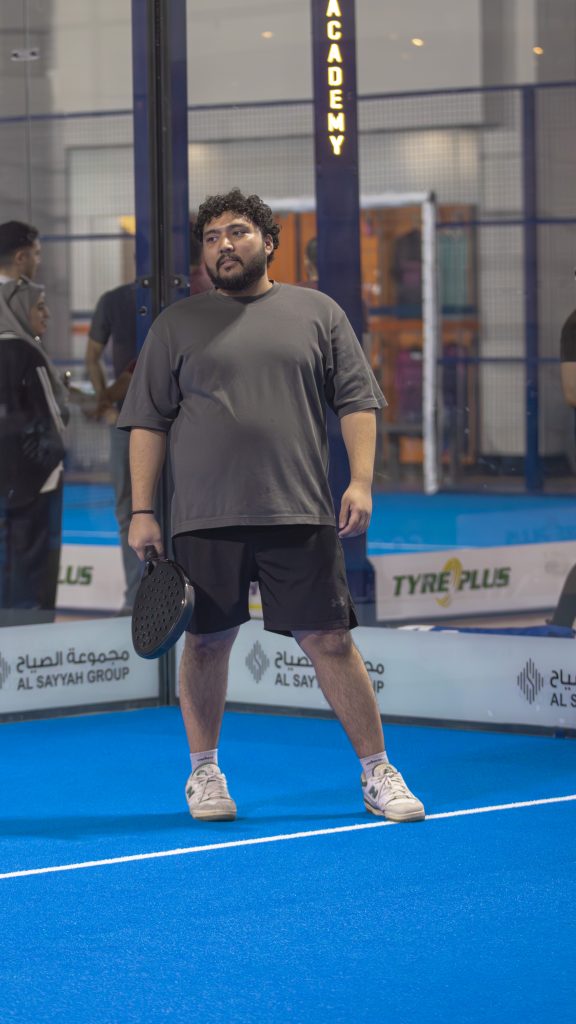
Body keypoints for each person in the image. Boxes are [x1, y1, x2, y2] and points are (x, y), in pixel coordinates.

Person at [118, 188, 424, 824]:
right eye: (211, 238)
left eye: (237, 232)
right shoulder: (175, 324)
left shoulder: (318, 312)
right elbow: (147, 421)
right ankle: (204, 773)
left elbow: (356, 401)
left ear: (269, 241)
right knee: (206, 644)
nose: (223, 246)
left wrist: (361, 481)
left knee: (331, 641)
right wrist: (142, 511)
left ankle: (377, 771)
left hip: (300, 510)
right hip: (204, 517)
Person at [0, 277, 68, 623]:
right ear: (19, 309)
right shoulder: (27, 352)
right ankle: (31, 643)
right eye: (39, 306)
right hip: (35, 487)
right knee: (32, 581)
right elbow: (54, 420)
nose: (47, 314)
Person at [85, 281, 142, 612]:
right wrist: (104, 400)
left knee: (129, 512)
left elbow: (94, 357)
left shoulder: (115, 299)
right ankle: (137, 598)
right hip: (130, 421)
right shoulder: (115, 300)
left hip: (130, 420)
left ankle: (137, 599)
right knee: (131, 512)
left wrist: (103, 399)